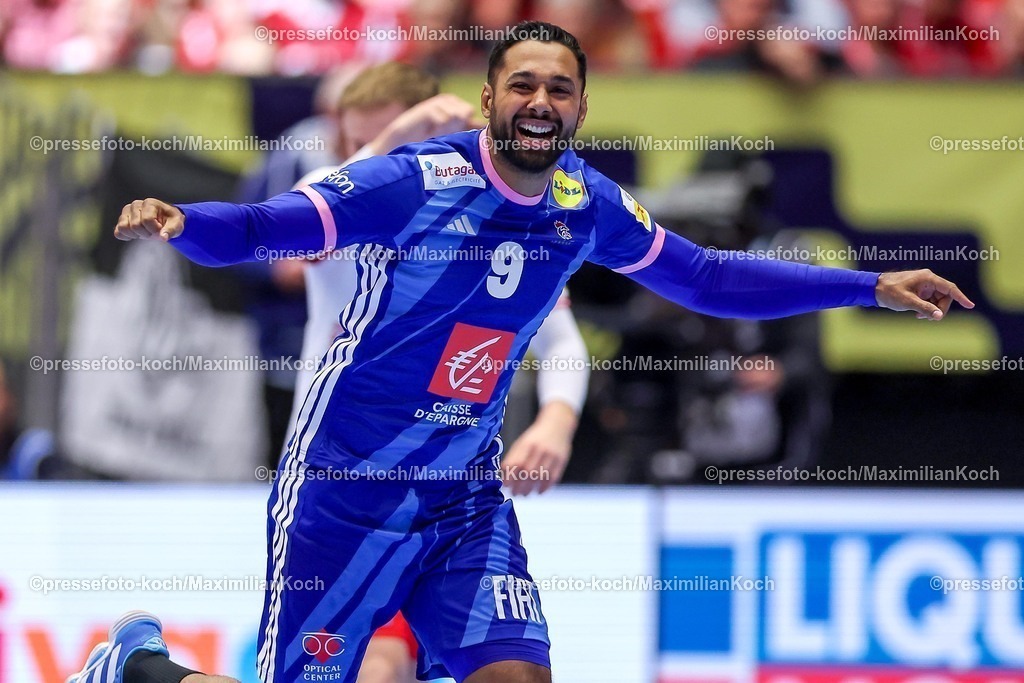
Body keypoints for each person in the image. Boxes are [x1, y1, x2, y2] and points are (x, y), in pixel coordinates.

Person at [71, 20, 973, 683]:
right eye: (523, 85)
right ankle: (141, 668)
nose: (541, 102)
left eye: (560, 88)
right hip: (345, 490)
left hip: (464, 498)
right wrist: (182, 222)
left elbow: (707, 278)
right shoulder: (413, 180)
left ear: (582, 104)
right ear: (493, 98)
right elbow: (273, 226)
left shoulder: (587, 202)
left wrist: (867, 283)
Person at [292, 63, 590, 683]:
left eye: (381, 142)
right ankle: (146, 672)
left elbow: (560, 339)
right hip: (345, 483)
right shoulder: (336, 190)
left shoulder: (491, 217)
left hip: (452, 491)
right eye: (352, 143)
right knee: (379, 670)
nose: (361, 157)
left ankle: (143, 671)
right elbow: (307, 237)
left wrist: (556, 422)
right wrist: (394, 144)